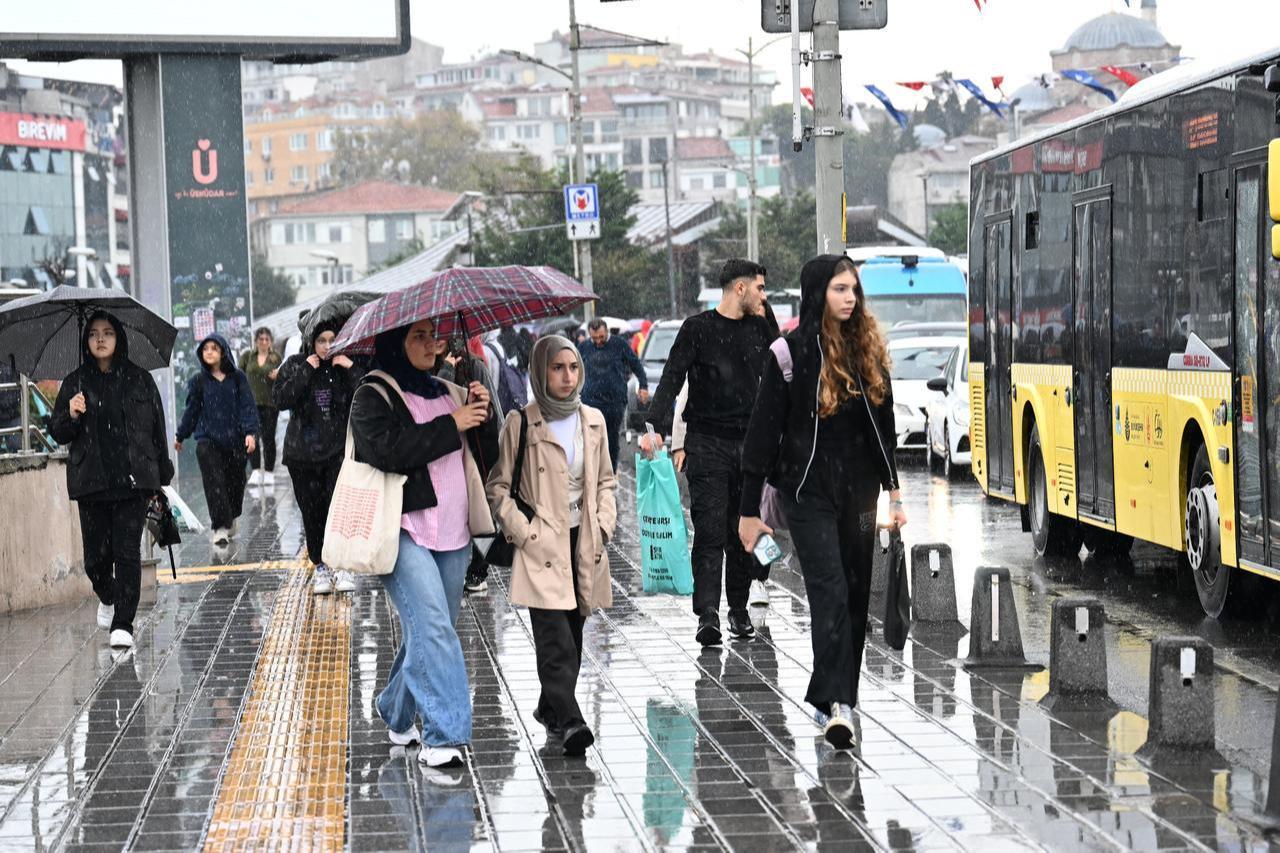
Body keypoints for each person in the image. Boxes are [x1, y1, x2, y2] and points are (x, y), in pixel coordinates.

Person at [737, 254, 907, 750]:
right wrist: (749, 511)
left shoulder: (867, 350)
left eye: (853, 288)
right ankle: (837, 704)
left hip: (859, 494)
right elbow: (761, 437)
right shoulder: (788, 355)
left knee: (855, 597)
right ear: (818, 293)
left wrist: (894, 494)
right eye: (839, 288)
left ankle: (836, 698)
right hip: (806, 493)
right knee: (830, 590)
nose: (849, 297)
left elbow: (885, 430)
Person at [349, 319, 497, 769]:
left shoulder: (449, 391)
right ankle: (443, 734)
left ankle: (395, 709)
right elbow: (389, 451)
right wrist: (451, 424)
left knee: (431, 631)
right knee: (433, 625)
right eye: (419, 336)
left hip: (454, 531)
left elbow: (486, 455)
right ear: (395, 341)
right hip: (401, 530)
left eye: (435, 335)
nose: (432, 343)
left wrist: (482, 414)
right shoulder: (372, 394)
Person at [487, 335, 616, 756]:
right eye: (557, 368)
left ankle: (549, 707)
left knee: (575, 634)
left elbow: (607, 482)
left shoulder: (593, 420)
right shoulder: (521, 423)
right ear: (540, 372)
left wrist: (605, 524)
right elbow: (499, 488)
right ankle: (573, 720)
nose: (566, 376)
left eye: (573, 367)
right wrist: (524, 532)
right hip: (542, 545)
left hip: (583, 540)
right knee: (554, 638)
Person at [641, 258, 775, 646]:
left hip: (750, 446)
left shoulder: (760, 328)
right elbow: (671, 377)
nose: (764, 296)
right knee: (711, 530)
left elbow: (785, 374)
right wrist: (656, 429)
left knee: (744, 531)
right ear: (740, 288)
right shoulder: (698, 329)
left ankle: (738, 608)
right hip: (707, 444)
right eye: (760, 288)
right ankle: (708, 614)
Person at [48, 312, 174, 650]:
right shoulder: (75, 382)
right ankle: (108, 594)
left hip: (133, 481)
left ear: (118, 338)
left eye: (107, 333)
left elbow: (155, 426)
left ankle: (123, 623)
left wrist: (162, 470)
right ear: (86, 341)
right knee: (95, 560)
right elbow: (58, 431)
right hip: (92, 482)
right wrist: (72, 414)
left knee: (127, 552)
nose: (100, 339)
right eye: (93, 334)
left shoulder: (139, 379)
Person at [273, 319, 364, 595]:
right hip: (302, 455)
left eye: (331, 340)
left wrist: (350, 369)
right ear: (311, 341)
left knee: (339, 510)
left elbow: (367, 392)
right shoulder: (295, 364)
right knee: (312, 513)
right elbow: (281, 399)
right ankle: (321, 565)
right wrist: (306, 370)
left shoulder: (344, 365)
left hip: (337, 453)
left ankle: (343, 565)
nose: (326, 347)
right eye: (321, 340)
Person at [175, 334, 259, 545]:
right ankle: (220, 526)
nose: (209, 352)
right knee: (215, 484)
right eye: (205, 349)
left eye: (214, 348)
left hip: (235, 441)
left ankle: (230, 517)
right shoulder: (198, 381)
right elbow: (191, 411)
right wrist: (181, 435)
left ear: (222, 351)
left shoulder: (238, 378)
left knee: (235, 483)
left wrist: (250, 433)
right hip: (208, 441)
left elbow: (247, 406)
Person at [434, 342, 503, 595]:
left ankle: (478, 569)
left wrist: (484, 410)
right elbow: (432, 417)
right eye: (431, 332)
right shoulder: (418, 368)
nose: (437, 338)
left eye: (442, 331)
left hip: (473, 452)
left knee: (479, 512)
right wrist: (444, 375)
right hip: (438, 458)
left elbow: (493, 410)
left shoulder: (474, 365)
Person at [577, 318, 648, 473]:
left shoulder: (619, 344)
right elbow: (574, 368)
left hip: (614, 402)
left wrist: (643, 385)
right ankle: (593, 471)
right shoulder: (584, 347)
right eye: (594, 338)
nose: (598, 342)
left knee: (611, 437)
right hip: (590, 401)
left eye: (601, 337)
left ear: (607, 332)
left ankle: (611, 471)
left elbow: (635, 364)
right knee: (592, 439)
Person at [239, 327, 281, 487]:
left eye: (266, 339)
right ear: (256, 341)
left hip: (270, 404)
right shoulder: (248, 356)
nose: (263, 342)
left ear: (270, 341)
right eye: (260, 339)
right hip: (252, 404)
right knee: (252, 436)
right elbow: (238, 375)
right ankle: (256, 470)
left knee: (268, 437)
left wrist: (278, 374)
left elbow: (284, 375)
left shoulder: (276, 357)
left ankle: (269, 472)